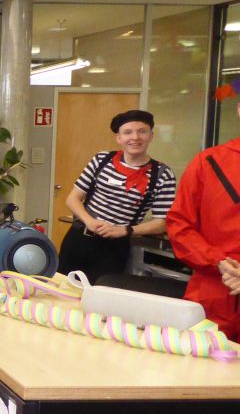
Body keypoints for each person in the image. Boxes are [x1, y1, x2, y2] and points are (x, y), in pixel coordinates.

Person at [57, 109, 176, 283]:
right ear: (119, 138)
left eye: (142, 131)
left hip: (114, 248)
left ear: (151, 136)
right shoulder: (102, 160)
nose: (135, 137)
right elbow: (72, 198)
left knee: (101, 293)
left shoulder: (162, 174)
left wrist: (124, 230)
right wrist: (89, 221)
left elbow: (161, 223)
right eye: (127, 132)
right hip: (78, 238)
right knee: (61, 288)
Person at [166, 99, 240, 341]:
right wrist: (217, 261)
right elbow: (179, 224)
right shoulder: (208, 162)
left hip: (215, 287)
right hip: (212, 296)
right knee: (196, 362)